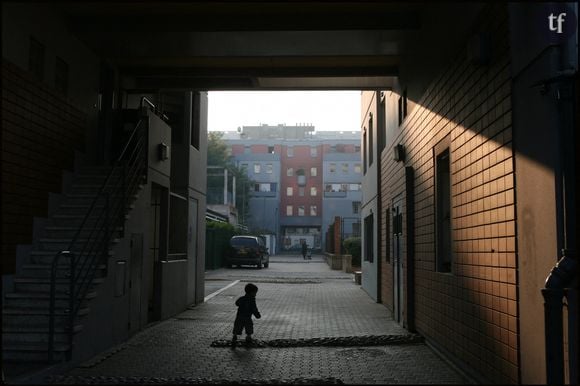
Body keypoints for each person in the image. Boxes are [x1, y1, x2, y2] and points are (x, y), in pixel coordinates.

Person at [232, 283, 261, 348]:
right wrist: (257, 315)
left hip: (239, 316)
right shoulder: (252, 300)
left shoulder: (242, 298)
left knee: (237, 327)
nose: (255, 294)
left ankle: (234, 336)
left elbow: (237, 303)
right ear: (251, 292)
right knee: (249, 327)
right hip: (247, 317)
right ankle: (248, 337)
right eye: (255, 293)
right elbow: (254, 309)